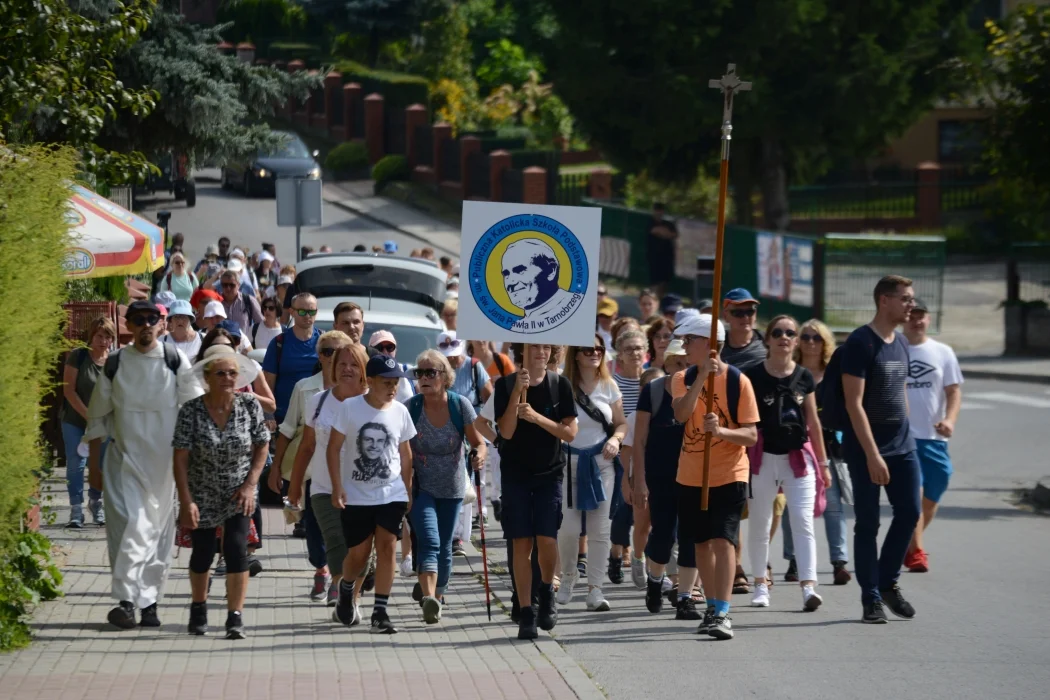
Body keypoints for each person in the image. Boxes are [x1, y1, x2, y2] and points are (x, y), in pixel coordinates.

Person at [85, 301, 203, 629]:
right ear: (129, 325)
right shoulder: (115, 363)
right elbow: (97, 418)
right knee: (130, 529)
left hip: (165, 466)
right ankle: (125, 601)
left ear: (161, 324)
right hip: (124, 461)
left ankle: (149, 603)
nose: (146, 326)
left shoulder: (173, 360)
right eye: (139, 321)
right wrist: (94, 467)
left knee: (159, 535)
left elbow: (194, 411)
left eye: (152, 320)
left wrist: (191, 466)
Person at [671, 313, 759, 640]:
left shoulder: (739, 381)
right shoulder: (681, 377)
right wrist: (699, 379)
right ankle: (710, 606)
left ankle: (723, 611)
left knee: (723, 539)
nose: (683, 347)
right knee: (701, 544)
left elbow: (750, 435)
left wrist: (721, 430)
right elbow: (681, 415)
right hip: (691, 475)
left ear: (709, 344)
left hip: (730, 474)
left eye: (688, 341)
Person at [840, 275, 920, 623]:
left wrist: (907, 431)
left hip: (903, 445)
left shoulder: (901, 342)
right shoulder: (860, 343)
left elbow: (899, 389)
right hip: (865, 448)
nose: (911, 305)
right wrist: (872, 454)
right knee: (868, 523)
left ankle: (888, 582)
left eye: (911, 298)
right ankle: (870, 597)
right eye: (905, 298)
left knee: (910, 512)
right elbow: (854, 404)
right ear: (884, 300)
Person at [174, 345, 269, 638]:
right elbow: (180, 458)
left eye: (232, 373)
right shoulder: (191, 410)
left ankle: (234, 616)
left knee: (236, 548)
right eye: (221, 373)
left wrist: (251, 485)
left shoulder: (249, 406)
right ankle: (199, 607)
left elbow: (262, 445)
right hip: (201, 491)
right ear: (207, 377)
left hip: (238, 491)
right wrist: (186, 500)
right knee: (203, 552)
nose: (228, 378)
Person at [744, 315, 832, 612]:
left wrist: (824, 463)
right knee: (760, 522)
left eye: (790, 333)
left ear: (795, 341)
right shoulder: (753, 375)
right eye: (778, 332)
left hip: (798, 459)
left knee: (802, 522)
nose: (784, 337)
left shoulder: (804, 376)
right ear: (767, 339)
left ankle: (808, 588)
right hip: (763, 458)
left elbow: (814, 423)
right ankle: (760, 584)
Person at [327, 355, 417, 633]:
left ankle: (380, 611)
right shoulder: (350, 408)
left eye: (395, 383)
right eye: (386, 383)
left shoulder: (400, 411)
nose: (392, 388)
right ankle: (346, 588)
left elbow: (406, 453)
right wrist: (337, 487)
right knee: (359, 554)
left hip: (392, 493)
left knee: (388, 545)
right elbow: (333, 448)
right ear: (371, 382)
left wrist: (408, 488)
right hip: (355, 494)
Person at [495, 343, 578, 639]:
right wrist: (517, 391)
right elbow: (505, 432)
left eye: (545, 348)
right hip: (516, 475)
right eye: (534, 348)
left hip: (549, 474)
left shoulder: (561, 385)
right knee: (521, 543)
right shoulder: (505, 384)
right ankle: (526, 610)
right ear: (522, 352)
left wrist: (538, 418)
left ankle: (546, 589)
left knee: (546, 539)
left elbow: (569, 433)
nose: (540, 352)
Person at [407, 350, 486, 623]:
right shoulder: (412, 407)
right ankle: (428, 599)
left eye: (431, 373)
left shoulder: (459, 404)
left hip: (452, 487)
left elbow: (478, 442)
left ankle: (437, 596)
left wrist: (479, 455)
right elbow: (401, 449)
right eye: (420, 373)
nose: (424, 378)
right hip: (420, 487)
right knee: (429, 540)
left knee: (444, 546)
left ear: (445, 377)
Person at [286, 339, 367, 607]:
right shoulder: (318, 402)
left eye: (353, 364)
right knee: (334, 540)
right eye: (341, 363)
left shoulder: (372, 402)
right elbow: (307, 446)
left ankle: (351, 596)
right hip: (322, 486)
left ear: (363, 369)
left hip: (363, 489)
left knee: (360, 548)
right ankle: (338, 585)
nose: (346, 369)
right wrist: (295, 486)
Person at [636, 340, 704, 619]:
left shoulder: (702, 390)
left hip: (695, 474)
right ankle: (655, 581)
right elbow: (639, 440)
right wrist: (638, 480)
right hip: (660, 476)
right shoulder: (652, 392)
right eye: (677, 362)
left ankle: (685, 596)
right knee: (664, 535)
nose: (682, 368)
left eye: (687, 363)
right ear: (666, 363)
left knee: (691, 536)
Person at [557, 336, 626, 612]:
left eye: (599, 349)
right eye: (588, 349)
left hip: (602, 463)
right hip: (568, 462)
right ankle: (568, 577)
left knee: (600, 530)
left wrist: (616, 440)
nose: (595, 353)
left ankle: (595, 589)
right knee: (568, 529)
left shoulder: (610, 385)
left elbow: (621, 424)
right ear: (575, 354)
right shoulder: (562, 386)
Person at [782, 318, 851, 585]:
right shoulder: (792, 373)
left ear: (825, 343)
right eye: (807, 337)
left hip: (829, 448)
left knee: (833, 505)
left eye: (817, 338)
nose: (811, 342)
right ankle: (794, 560)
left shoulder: (835, 373)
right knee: (794, 506)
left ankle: (839, 562)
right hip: (796, 447)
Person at [902, 298, 962, 573]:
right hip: (904, 437)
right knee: (915, 494)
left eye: (921, 315)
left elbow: (953, 391)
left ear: (928, 319)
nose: (917, 320)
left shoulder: (943, 352)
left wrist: (949, 420)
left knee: (936, 489)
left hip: (935, 437)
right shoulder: (893, 349)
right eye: (912, 315)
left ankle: (908, 543)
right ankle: (917, 553)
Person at [439, 330, 492, 552]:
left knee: (465, 483)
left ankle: (458, 536)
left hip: (470, 430)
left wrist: (482, 422)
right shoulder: (437, 368)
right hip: (444, 432)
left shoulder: (473, 366)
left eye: (454, 354)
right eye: (447, 354)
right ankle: (448, 533)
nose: (451, 358)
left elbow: (490, 395)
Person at [61, 317, 116, 528]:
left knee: (100, 465)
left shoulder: (114, 361)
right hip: (75, 420)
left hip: (103, 423)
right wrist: (89, 416)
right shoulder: (78, 356)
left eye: (108, 337)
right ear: (91, 336)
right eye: (100, 336)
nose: (103, 341)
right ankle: (76, 509)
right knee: (76, 464)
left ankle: (96, 503)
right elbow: (68, 390)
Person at [467, 341, 515, 519]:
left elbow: (514, 384)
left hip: (504, 418)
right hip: (483, 419)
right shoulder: (470, 364)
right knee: (493, 465)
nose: (480, 341)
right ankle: (494, 500)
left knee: (498, 466)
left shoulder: (501, 360)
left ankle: (496, 498)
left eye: (483, 337)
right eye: (476, 338)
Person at [263, 293, 321, 424]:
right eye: (302, 311)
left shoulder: (325, 342)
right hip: (284, 418)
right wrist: (268, 415)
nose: (307, 315)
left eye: (311, 311)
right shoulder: (278, 343)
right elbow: (268, 383)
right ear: (292, 312)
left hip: (317, 419)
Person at [501, 239, 582, 329]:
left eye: (520, 270)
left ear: (551, 271)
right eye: (506, 274)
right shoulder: (516, 328)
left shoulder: (580, 310)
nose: (511, 281)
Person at [721, 288, 765, 371]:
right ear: (725, 316)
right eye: (738, 313)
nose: (745, 317)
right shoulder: (716, 346)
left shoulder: (768, 341)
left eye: (750, 312)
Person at [369, 330, 415, 402]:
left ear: (396, 350)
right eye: (379, 348)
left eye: (390, 347)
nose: (385, 352)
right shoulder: (363, 373)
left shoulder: (408, 370)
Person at [647, 203, 678, 297]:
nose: (658, 212)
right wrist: (664, 232)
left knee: (664, 281)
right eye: (656, 210)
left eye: (660, 210)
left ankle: (660, 298)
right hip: (654, 255)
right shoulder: (650, 222)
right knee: (655, 280)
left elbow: (672, 234)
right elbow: (654, 230)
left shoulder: (668, 223)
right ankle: (653, 298)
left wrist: (663, 232)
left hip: (667, 255)